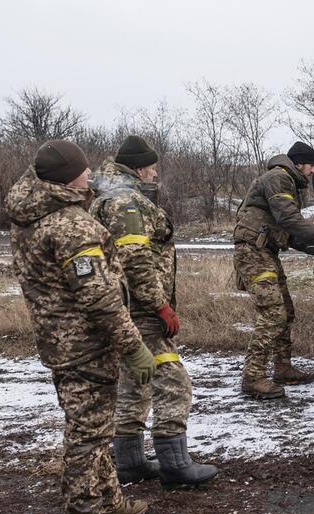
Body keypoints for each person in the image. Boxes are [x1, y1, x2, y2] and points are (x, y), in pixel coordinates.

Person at [5, 139, 153, 514]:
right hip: (86, 345)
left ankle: (108, 499)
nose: (91, 174)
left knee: (95, 428)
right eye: (84, 169)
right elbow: (100, 297)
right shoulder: (71, 224)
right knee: (87, 437)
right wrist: (134, 346)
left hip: (60, 341)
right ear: (70, 177)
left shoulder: (32, 216)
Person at [90, 135, 218, 486]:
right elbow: (134, 258)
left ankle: (129, 462)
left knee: (136, 380)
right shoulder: (126, 203)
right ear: (138, 167)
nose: (155, 171)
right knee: (174, 382)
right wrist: (159, 304)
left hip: (127, 307)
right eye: (151, 166)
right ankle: (175, 466)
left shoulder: (112, 197)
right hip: (142, 310)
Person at [233, 141, 314, 399]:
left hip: (265, 251)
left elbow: (287, 232)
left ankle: (282, 367)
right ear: (300, 164)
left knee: (286, 311)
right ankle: (253, 377)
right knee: (274, 313)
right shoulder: (278, 177)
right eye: (311, 165)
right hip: (253, 252)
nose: (313, 171)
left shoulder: (285, 181)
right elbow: (288, 218)